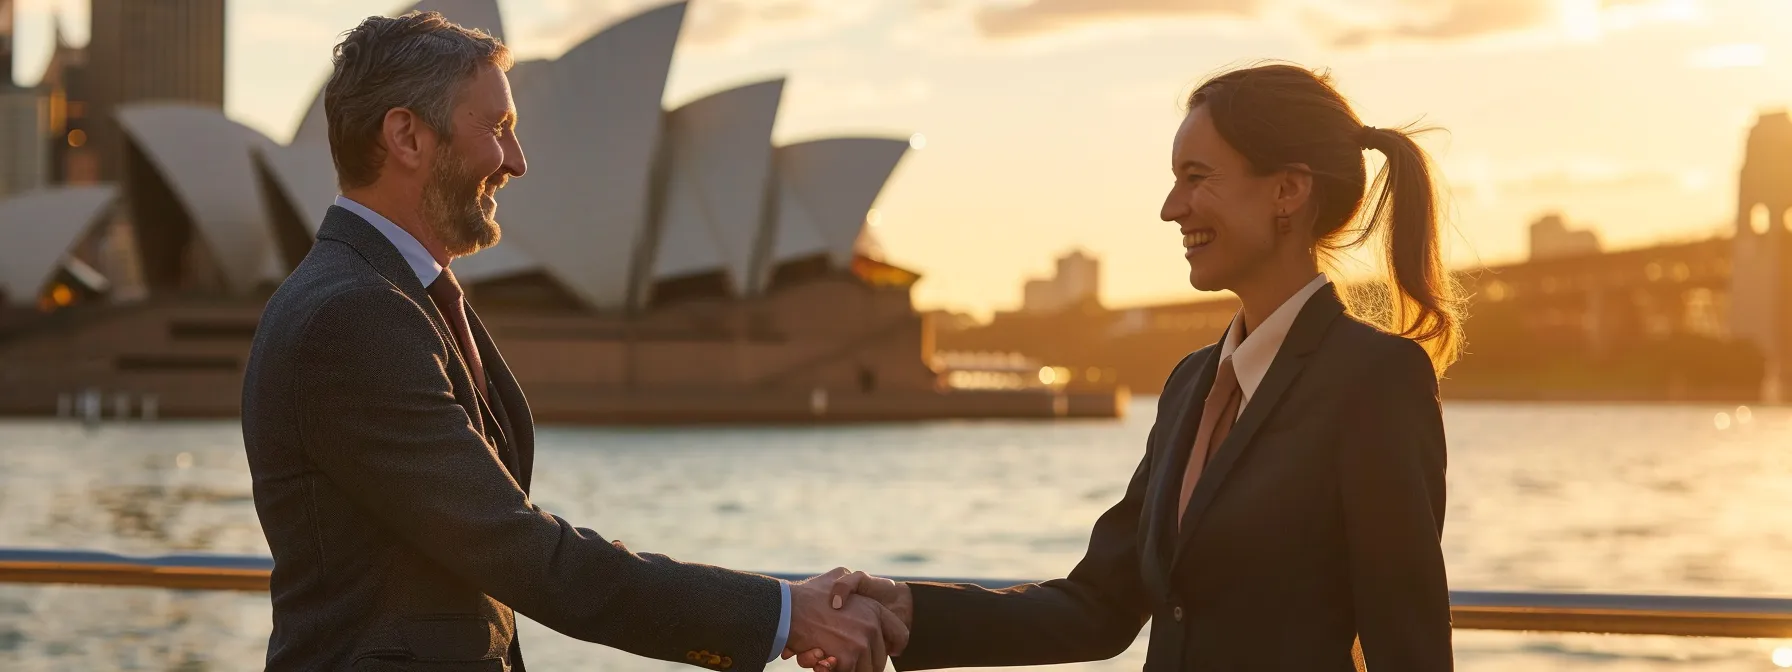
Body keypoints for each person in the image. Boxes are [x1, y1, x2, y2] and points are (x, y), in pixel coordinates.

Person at [241, 12, 902, 672]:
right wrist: (784, 613)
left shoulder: (385, 296)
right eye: (497, 129)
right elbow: (519, 548)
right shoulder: (354, 315)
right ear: (407, 135)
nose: (518, 163)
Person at [799, 63, 1461, 671]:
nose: (1171, 208)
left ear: (1287, 190)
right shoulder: (1190, 385)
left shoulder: (1374, 380)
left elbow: (1410, 646)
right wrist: (909, 611)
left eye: (1196, 177)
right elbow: (1100, 607)